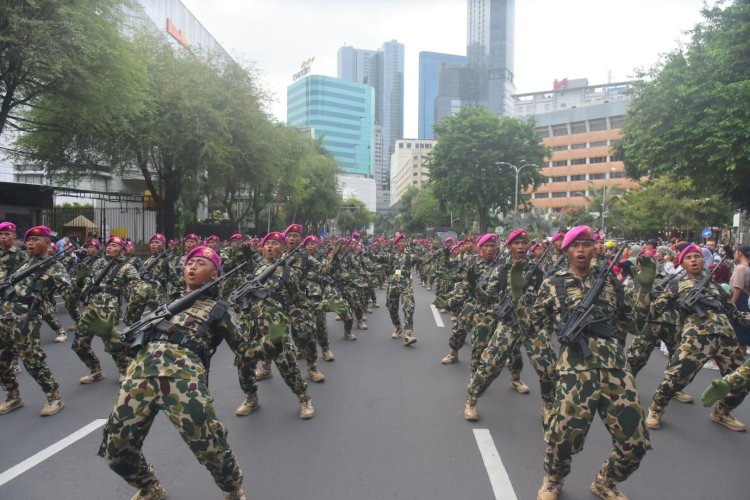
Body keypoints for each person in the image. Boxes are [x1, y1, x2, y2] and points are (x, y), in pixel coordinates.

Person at [87, 245, 281, 500]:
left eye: (201, 263)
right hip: (141, 375)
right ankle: (148, 486)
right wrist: (109, 334)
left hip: (183, 378)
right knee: (116, 451)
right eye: (190, 262)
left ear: (214, 274)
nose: (192, 266)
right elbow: (124, 346)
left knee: (210, 447)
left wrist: (271, 343)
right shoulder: (164, 306)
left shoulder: (219, 309)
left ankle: (233, 490)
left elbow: (244, 353)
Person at [514, 226, 655, 500]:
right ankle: (553, 479)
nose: (581, 250)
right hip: (575, 370)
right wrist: (519, 298)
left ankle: (606, 480)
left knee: (635, 441)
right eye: (575, 245)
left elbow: (635, 325)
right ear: (566, 251)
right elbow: (532, 329)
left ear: (595, 248)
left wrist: (645, 291)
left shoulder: (611, 283)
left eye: (587, 244)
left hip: (615, 368)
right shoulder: (553, 284)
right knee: (563, 437)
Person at [645, 244, 750, 432]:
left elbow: (734, 314)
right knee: (676, 376)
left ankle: (722, 412)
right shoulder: (675, 285)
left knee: (741, 381)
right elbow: (653, 310)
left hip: (726, 336)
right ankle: (656, 408)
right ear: (682, 263)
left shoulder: (716, 286)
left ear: (703, 260)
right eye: (688, 257)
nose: (693, 260)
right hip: (696, 337)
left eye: (697, 256)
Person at [465, 229, 558, 421]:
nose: (521, 247)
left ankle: (548, 406)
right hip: (508, 323)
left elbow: (547, 301)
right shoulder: (501, 270)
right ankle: (471, 400)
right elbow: (488, 297)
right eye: (517, 243)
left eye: (524, 243)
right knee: (490, 364)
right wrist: (476, 287)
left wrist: (546, 328)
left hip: (533, 325)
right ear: (509, 247)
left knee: (548, 369)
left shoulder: (538, 271)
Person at [0, 226, 72, 416]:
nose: (30, 243)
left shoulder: (54, 266)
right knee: (2, 359)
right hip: (6, 315)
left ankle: (54, 397)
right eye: (28, 240)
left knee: (32, 360)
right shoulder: (25, 263)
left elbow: (69, 293)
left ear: (48, 244)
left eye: (35, 240)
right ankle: (13, 396)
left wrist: (77, 285)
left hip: (26, 319)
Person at [383, 234, 417, 346]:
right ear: (396, 244)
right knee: (391, 308)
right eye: (400, 242)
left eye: (404, 241)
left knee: (409, 306)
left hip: (405, 284)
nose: (402, 244)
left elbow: (423, 260)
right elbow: (378, 260)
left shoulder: (410, 256)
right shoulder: (390, 256)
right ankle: (398, 327)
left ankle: (408, 334)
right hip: (392, 285)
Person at [728, 245, 750, 351]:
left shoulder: (741, 268)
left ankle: (740, 362)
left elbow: (737, 289)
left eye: (734, 251)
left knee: (739, 334)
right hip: (744, 300)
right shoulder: (746, 267)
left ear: (740, 253)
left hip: (739, 301)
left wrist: (731, 304)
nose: (733, 254)